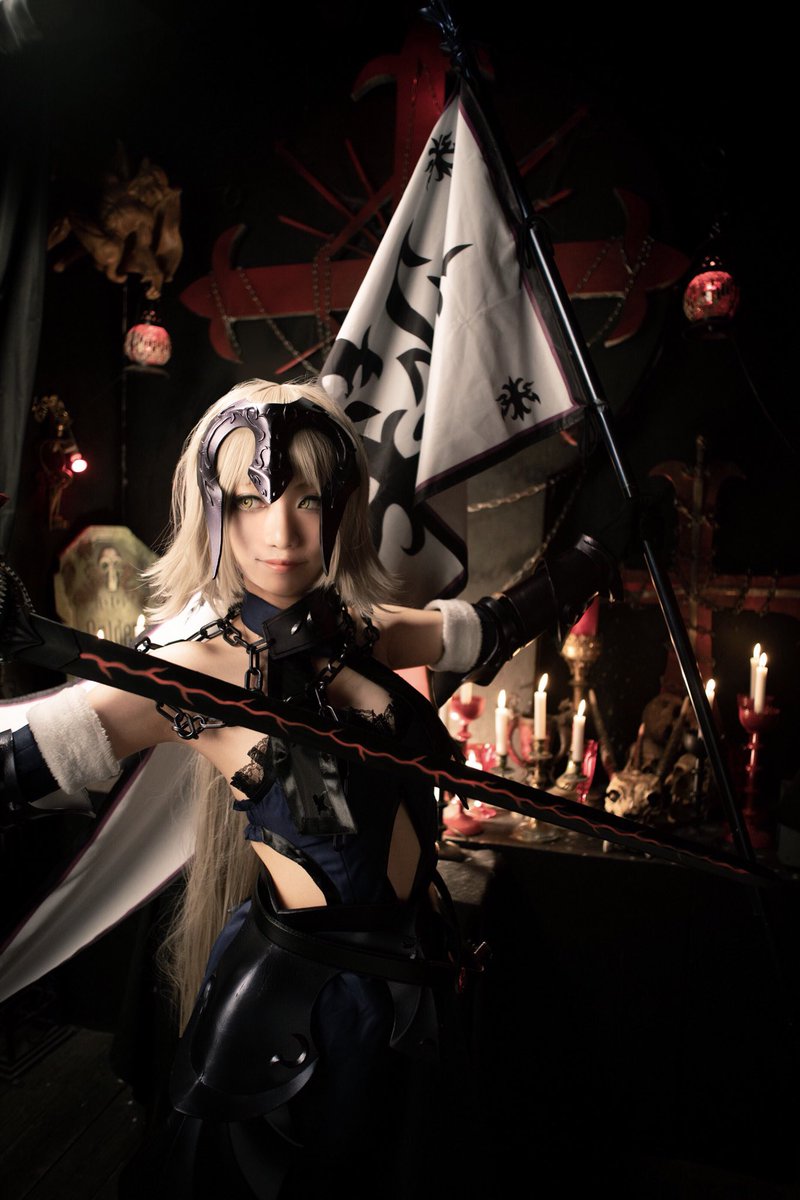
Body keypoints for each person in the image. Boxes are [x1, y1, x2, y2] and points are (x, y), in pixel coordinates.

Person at [0, 378, 618, 1197]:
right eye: (251, 500)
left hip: (417, 983)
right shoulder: (193, 670)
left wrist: (595, 554)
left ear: (343, 505)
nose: (282, 532)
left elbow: (489, 627)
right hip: (306, 1011)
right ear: (214, 510)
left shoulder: (355, 631)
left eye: (309, 499)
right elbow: (29, 760)